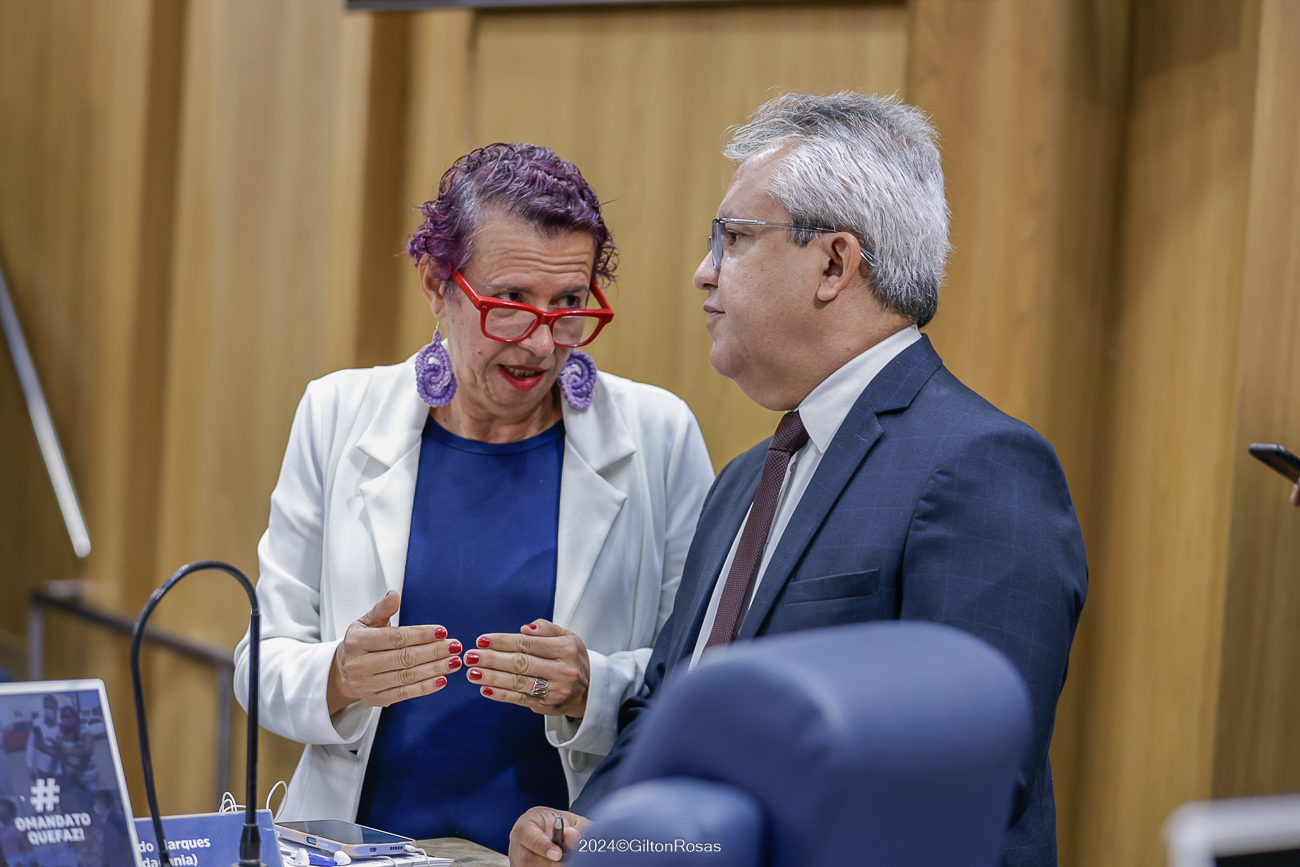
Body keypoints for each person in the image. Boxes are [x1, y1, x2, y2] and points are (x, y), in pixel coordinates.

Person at [509, 92, 1088, 867]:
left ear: (835, 264)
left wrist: (694, 845)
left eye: (735, 238)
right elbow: (663, 708)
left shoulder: (983, 465)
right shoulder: (745, 480)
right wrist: (597, 835)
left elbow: (963, 774)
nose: (703, 272)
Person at [233, 143, 713, 852]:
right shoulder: (335, 414)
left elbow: (700, 678)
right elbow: (260, 663)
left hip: (558, 849)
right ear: (437, 284)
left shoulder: (659, 437)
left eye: (568, 305)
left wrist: (593, 686)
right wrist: (338, 674)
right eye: (511, 303)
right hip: (359, 848)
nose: (542, 345)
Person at [25, 696, 61, 782]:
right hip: (43, 770)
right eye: (46, 707)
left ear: (57, 708)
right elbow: (31, 744)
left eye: (51, 707)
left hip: (60, 771)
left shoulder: (62, 724)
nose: (49, 710)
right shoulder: (37, 723)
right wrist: (30, 766)